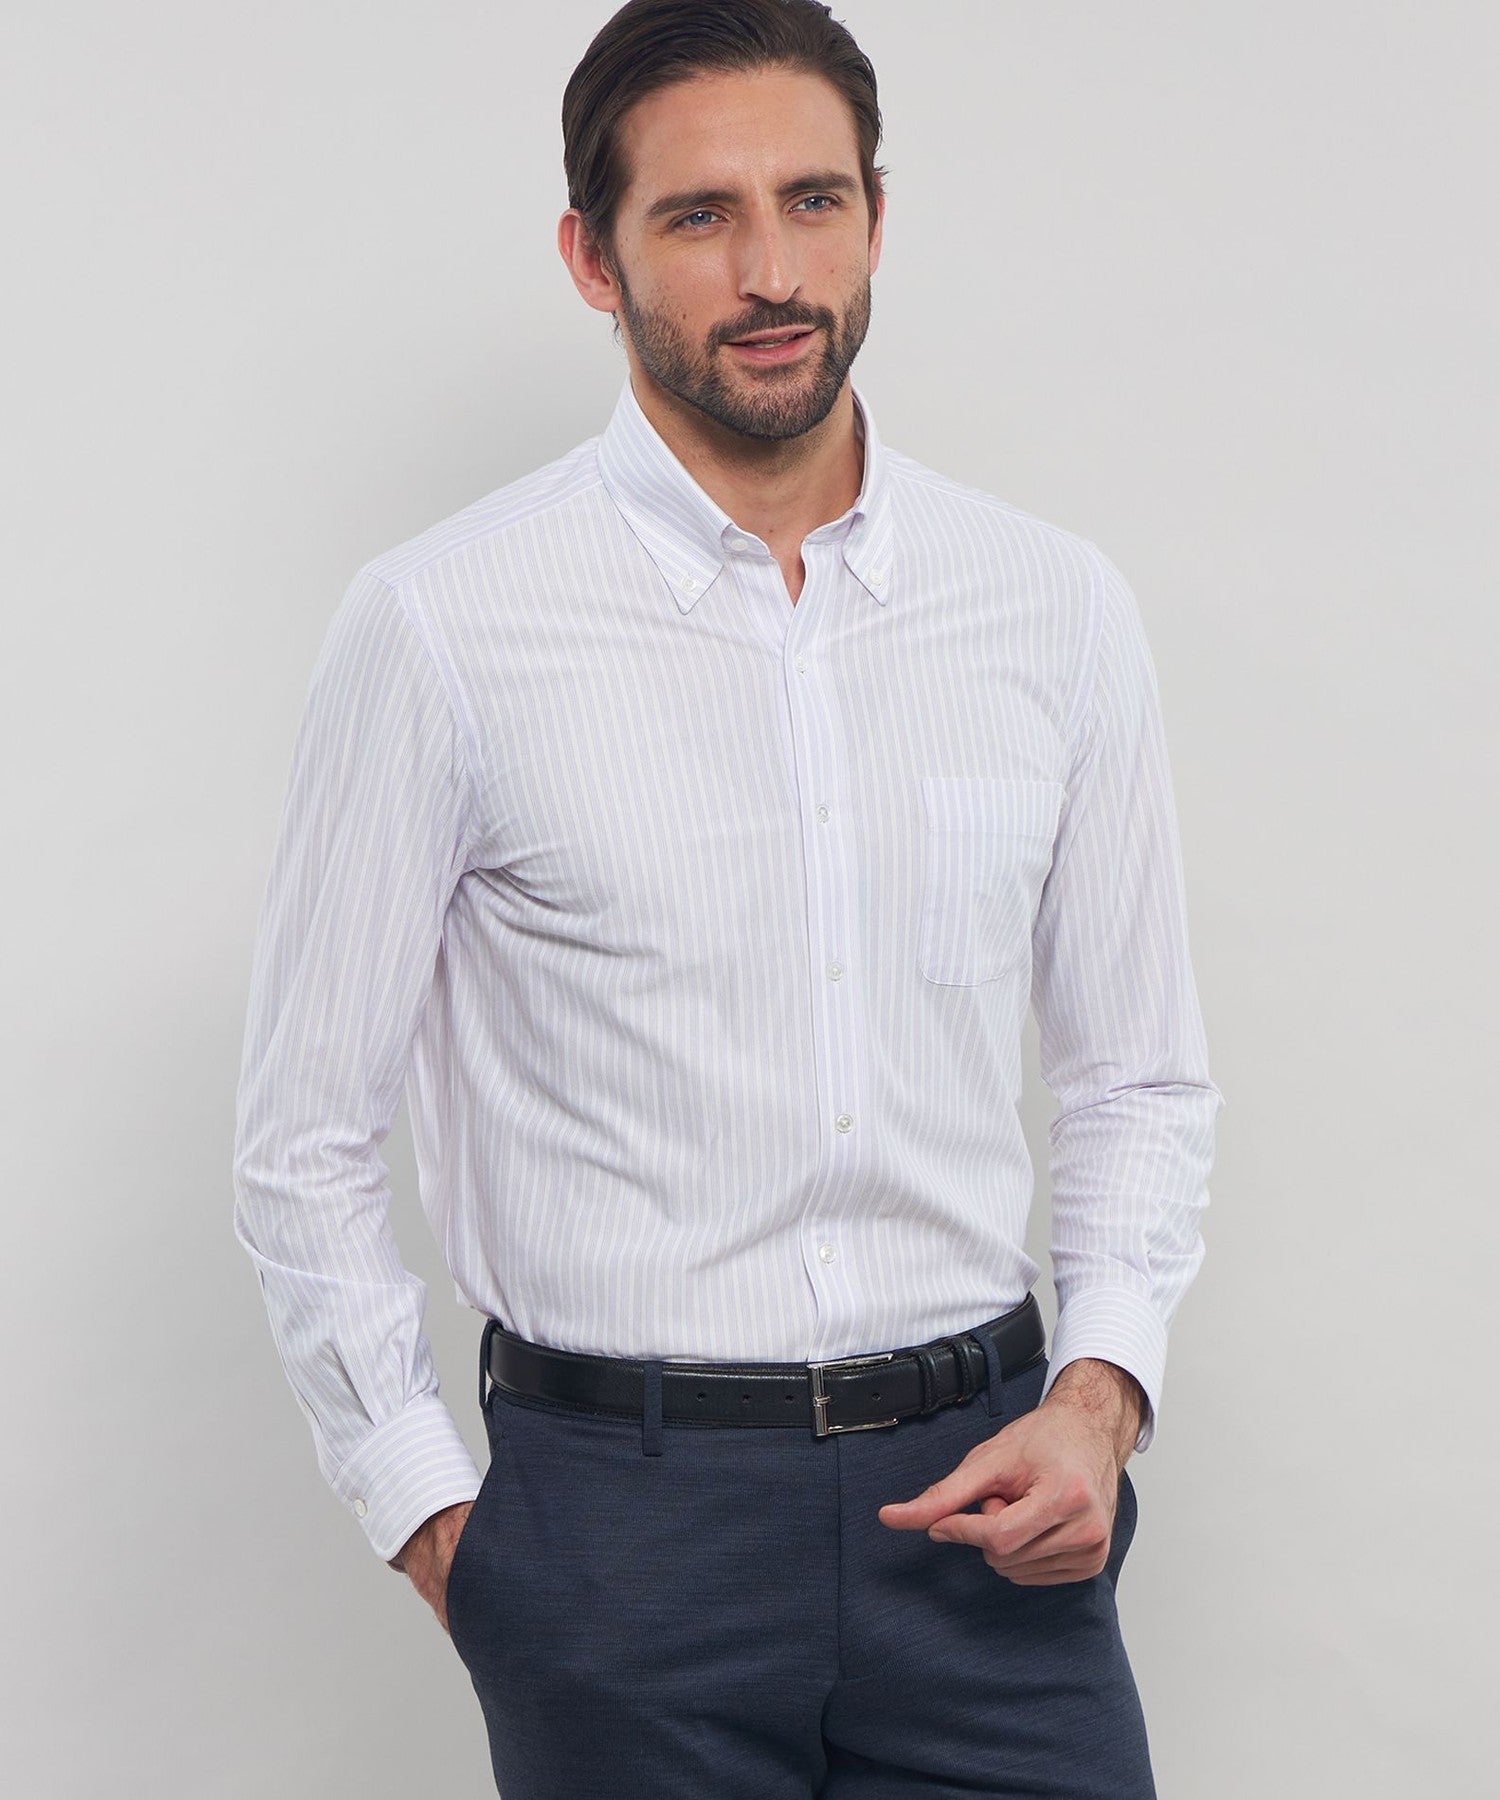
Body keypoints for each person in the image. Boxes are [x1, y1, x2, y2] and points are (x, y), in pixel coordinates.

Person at [231, 2, 1225, 1793]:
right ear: (591, 258)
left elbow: (1138, 1075)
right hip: (623, 1539)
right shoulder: (442, 628)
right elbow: (300, 1136)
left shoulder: (1051, 608)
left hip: (990, 1509)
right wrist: (442, 1526)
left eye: (813, 200)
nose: (772, 271)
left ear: (875, 218)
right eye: (699, 215)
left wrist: (1099, 1402)